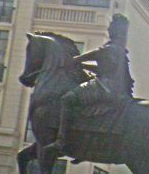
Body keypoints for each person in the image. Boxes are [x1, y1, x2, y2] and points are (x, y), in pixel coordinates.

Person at [46, 13, 135, 155]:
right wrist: (83, 66)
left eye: (112, 26)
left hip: (105, 87)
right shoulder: (119, 50)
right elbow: (104, 70)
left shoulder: (109, 49)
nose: (109, 29)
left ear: (116, 30)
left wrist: (73, 61)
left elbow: (80, 58)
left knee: (67, 99)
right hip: (113, 87)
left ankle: (61, 141)